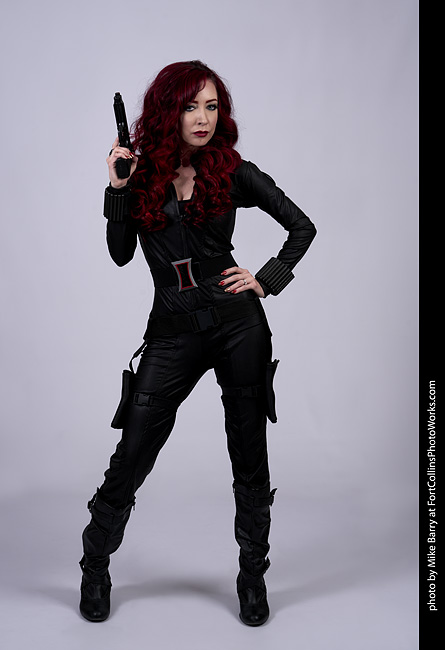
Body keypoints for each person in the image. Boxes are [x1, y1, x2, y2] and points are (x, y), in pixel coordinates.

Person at [79, 60, 316, 627]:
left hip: (239, 326)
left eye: (212, 106)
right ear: (169, 112)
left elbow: (302, 226)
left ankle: (252, 576)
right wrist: (117, 187)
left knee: (249, 456)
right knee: (133, 450)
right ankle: (94, 565)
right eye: (191, 106)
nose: (203, 118)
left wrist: (266, 278)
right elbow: (119, 254)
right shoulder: (140, 175)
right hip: (172, 331)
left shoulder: (233, 171)